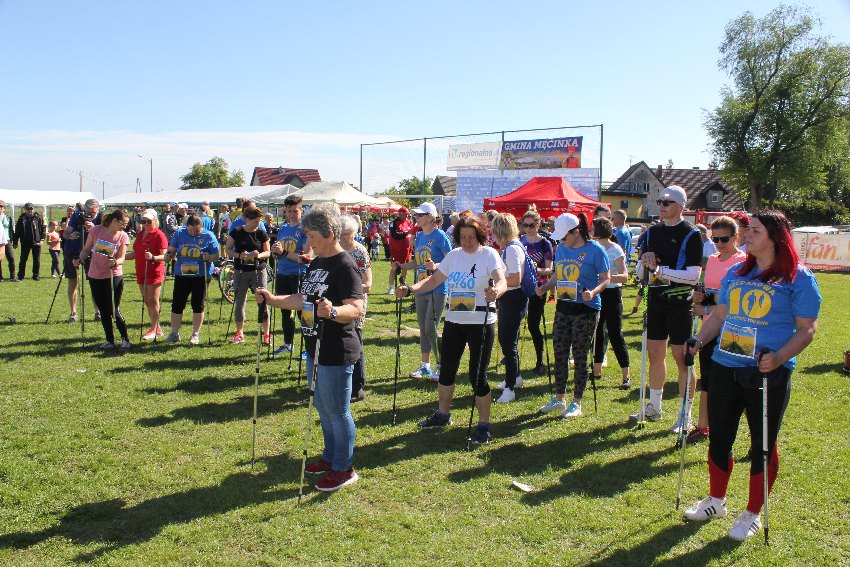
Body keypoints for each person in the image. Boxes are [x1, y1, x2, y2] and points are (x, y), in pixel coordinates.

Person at [684, 210, 821, 541]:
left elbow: (807, 329)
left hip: (766, 371)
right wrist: (698, 341)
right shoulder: (737, 271)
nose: (746, 235)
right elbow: (721, 315)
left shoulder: (798, 277)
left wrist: (780, 357)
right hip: (726, 364)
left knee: (762, 444)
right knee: (719, 437)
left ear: (775, 237)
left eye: (755, 231)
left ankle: (752, 513)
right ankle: (716, 501)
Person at [256, 202, 364, 492]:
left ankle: (344, 468)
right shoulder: (317, 263)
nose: (307, 241)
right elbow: (302, 299)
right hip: (313, 347)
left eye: (312, 236)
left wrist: (333, 312)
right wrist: (273, 300)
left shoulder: (345, 265)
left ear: (330, 234)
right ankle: (330, 457)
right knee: (322, 407)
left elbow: (356, 308)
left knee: (338, 411)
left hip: (337, 348)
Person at [397, 215, 506, 445]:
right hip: (455, 321)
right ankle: (442, 414)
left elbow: (501, 280)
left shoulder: (488, 254)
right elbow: (434, 280)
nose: (467, 241)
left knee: (478, 376)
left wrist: (496, 291)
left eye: (471, 237)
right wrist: (410, 289)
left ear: (480, 236)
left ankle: (483, 424)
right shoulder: (454, 256)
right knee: (446, 370)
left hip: (481, 322)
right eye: (463, 237)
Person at [632, 186, 703, 432]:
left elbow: (693, 276)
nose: (661, 205)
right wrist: (644, 263)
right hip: (656, 300)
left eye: (667, 202)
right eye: (659, 201)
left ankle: (685, 414)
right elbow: (641, 270)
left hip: (680, 303)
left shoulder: (691, 234)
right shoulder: (652, 232)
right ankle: (654, 406)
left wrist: (660, 271)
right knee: (655, 354)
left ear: (680, 206)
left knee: (682, 357)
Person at [536, 213, 610, 418]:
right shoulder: (561, 248)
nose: (561, 240)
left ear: (576, 232)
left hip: (586, 309)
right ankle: (559, 398)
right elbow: (557, 275)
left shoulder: (596, 250)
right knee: (560, 352)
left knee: (579, 355)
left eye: (564, 236)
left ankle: (577, 402)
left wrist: (593, 292)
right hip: (563, 306)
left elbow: (606, 278)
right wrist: (545, 287)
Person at [686, 216, 747, 443]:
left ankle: (756, 435)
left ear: (736, 237)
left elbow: (736, 302)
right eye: (715, 239)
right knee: (708, 379)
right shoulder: (712, 259)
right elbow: (711, 291)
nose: (719, 244)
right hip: (709, 327)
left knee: (742, 383)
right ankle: (703, 427)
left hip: (733, 328)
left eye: (724, 239)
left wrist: (707, 305)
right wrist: (700, 296)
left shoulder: (744, 261)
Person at [395, 202, 452, 380]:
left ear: (430, 217)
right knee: (423, 328)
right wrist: (402, 265)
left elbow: (451, 260)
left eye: (420, 215)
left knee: (430, 328)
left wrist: (436, 265)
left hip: (437, 288)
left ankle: (441, 365)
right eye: (416, 215)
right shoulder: (419, 236)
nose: (416, 217)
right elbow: (417, 262)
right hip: (420, 288)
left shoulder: (440, 236)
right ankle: (425, 366)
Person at [74, 209, 131, 350]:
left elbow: (122, 257)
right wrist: (80, 259)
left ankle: (125, 339)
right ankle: (110, 340)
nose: (125, 227)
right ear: (114, 221)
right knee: (103, 309)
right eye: (123, 224)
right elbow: (86, 249)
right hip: (95, 274)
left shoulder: (123, 236)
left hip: (113, 275)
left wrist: (116, 262)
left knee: (113, 309)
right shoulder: (96, 231)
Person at [491, 213, 530, 403]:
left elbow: (515, 279)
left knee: (508, 342)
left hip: (513, 298)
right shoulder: (514, 246)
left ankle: (510, 388)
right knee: (507, 340)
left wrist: (495, 281)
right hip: (512, 298)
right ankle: (515, 377)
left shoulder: (512, 249)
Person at [164, 215, 220, 344]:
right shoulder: (180, 233)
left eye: (197, 230)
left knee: (197, 304)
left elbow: (216, 256)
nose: (193, 233)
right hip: (182, 274)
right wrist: (168, 254)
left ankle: (195, 334)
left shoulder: (208, 236)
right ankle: (174, 333)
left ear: (201, 227)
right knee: (177, 303)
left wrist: (209, 257)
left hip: (201, 275)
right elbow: (172, 249)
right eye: (191, 230)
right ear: (186, 227)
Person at [590, 217, 632, 389]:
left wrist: (607, 278)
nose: (590, 231)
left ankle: (626, 375)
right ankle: (596, 371)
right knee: (597, 332)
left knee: (615, 333)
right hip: (597, 293)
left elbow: (624, 276)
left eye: (592, 228)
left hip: (613, 294)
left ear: (600, 231)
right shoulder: (593, 247)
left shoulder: (615, 249)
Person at [225, 206, 271, 345]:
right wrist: (239, 255)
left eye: (259, 221)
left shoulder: (261, 233)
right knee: (239, 301)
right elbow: (228, 249)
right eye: (255, 221)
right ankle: (239, 333)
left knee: (262, 300)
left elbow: (267, 252)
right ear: (247, 219)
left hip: (258, 270)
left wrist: (258, 255)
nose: (258, 224)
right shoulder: (236, 231)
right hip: (241, 270)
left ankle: (266, 334)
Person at [271, 195, 310, 355]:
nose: (292, 214)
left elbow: (306, 257)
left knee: (304, 312)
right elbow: (279, 252)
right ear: (285, 211)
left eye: (295, 211)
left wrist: (284, 252)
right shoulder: (283, 228)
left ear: (301, 210)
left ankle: (309, 346)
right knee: (285, 309)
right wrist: (275, 252)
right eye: (289, 211)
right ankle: (288, 343)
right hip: (282, 273)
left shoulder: (305, 229)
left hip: (299, 274)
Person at [339, 214, 372, 402]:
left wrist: (349, 289)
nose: (343, 237)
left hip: (355, 303)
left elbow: (368, 284)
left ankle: (357, 386)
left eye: (346, 234)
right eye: (340, 233)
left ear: (353, 233)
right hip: (338, 303)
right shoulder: (335, 249)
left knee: (355, 341)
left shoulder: (359, 252)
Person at [520, 206, 554, 376]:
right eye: (525, 225)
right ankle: (510, 357)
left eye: (531, 225)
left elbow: (549, 270)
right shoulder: (520, 241)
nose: (528, 228)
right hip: (520, 287)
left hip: (539, 288)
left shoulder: (544, 243)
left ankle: (540, 361)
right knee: (514, 323)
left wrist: (535, 269)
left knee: (533, 325)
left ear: (538, 225)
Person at [126, 209, 169, 340]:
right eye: (143, 221)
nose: (145, 223)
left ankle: (153, 329)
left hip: (154, 271)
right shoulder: (140, 234)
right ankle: (157, 327)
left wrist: (153, 258)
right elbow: (136, 253)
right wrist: (120, 257)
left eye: (148, 221)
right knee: (146, 300)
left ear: (155, 220)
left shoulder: (159, 235)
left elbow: (165, 256)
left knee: (153, 301)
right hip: (141, 270)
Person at [63, 198, 103, 322]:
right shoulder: (77, 216)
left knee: (94, 282)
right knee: (72, 281)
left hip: (91, 252)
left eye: (93, 213)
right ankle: (73, 312)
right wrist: (70, 236)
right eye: (87, 212)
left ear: (98, 210)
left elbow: (105, 236)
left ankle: (98, 311)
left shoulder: (101, 218)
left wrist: (94, 228)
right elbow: (65, 233)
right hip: (73, 250)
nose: (89, 215)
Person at [14, 202, 45, 280]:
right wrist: (15, 242)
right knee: (23, 259)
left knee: (36, 260)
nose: (30, 210)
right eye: (28, 209)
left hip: (36, 241)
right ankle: (21, 275)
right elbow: (17, 231)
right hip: (25, 242)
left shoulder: (38, 218)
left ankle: (36, 275)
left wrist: (42, 239)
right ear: (25, 209)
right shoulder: (21, 219)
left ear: (33, 209)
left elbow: (43, 228)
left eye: (31, 209)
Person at [387, 207, 413, 294]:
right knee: (394, 268)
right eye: (405, 215)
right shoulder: (393, 223)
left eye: (407, 215)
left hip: (407, 249)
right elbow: (395, 235)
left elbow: (412, 232)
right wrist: (407, 233)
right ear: (400, 214)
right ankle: (391, 287)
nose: (407, 216)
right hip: (396, 250)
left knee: (405, 267)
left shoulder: (408, 222)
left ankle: (402, 284)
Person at [0, 201, 9, 277]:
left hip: (5, 239)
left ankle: (12, 276)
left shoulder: (7, 217)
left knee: (3, 257)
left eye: (1, 206)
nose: (0, 208)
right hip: (2, 239)